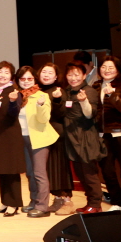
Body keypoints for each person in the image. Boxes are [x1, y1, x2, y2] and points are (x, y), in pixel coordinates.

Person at [94, 55, 121, 221]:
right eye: (104, 67)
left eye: (111, 67)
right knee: (107, 171)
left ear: (118, 69)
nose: (107, 70)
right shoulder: (97, 85)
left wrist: (112, 95)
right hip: (103, 133)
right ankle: (117, 202)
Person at [62, 62, 106, 213]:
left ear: (84, 75)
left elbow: (90, 114)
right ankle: (90, 203)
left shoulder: (89, 91)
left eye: (76, 75)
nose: (73, 78)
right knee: (81, 173)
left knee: (89, 174)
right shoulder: (67, 91)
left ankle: (96, 204)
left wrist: (83, 101)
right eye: (70, 75)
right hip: (72, 138)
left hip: (86, 137)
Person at [15, 65, 57, 218]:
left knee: (39, 173)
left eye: (29, 78)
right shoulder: (18, 96)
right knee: (30, 173)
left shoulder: (42, 96)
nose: (26, 81)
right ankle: (34, 201)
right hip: (23, 138)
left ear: (35, 79)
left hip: (39, 138)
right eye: (23, 79)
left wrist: (40, 106)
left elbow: (44, 119)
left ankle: (42, 206)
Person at [36, 63, 75, 215]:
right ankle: (58, 199)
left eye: (50, 73)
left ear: (56, 77)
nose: (46, 75)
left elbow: (61, 114)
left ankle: (67, 201)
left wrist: (58, 100)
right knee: (49, 169)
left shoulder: (58, 92)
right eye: (44, 71)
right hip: (42, 134)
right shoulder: (37, 91)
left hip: (56, 135)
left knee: (60, 167)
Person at [0, 61, 25, 216]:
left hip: (10, 135)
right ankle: (5, 201)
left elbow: (13, 113)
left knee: (11, 170)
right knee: (1, 169)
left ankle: (14, 203)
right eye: (0, 72)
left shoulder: (14, 91)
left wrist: (12, 101)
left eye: (6, 72)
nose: (2, 75)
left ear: (11, 76)